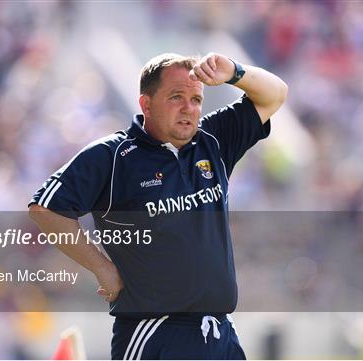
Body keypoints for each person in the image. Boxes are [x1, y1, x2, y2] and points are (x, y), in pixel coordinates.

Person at [29, 52, 287, 359]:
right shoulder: (113, 156)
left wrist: (234, 72)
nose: (188, 108)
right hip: (155, 333)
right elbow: (46, 209)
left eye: (196, 99)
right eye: (176, 97)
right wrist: (102, 267)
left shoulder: (213, 139)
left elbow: (275, 94)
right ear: (146, 104)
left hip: (220, 334)